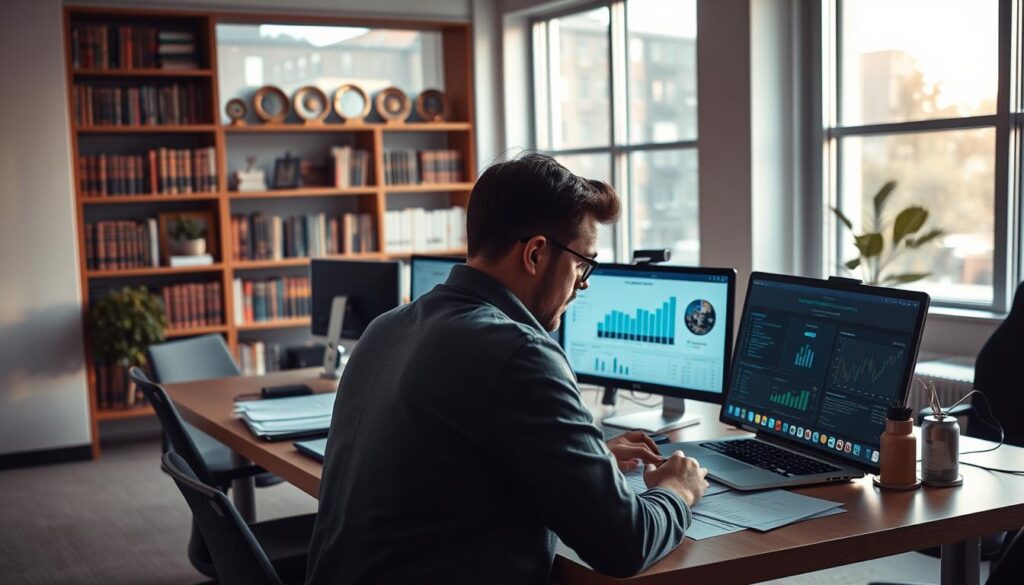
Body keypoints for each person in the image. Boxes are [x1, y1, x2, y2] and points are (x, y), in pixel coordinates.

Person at [306, 153, 709, 584]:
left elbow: (445, 472)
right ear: (536, 254)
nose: (584, 283)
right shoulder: (520, 352)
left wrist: (579, 468)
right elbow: (625, 544)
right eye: (582, 264)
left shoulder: (386, 326)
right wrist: (678, 490)